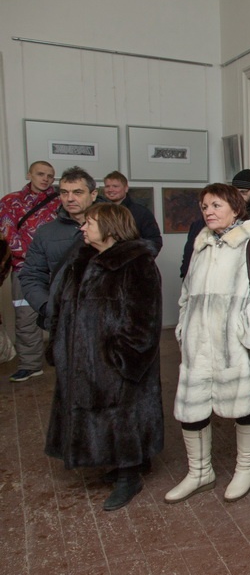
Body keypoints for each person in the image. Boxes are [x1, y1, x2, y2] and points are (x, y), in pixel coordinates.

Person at [166, 183, 250, 504]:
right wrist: (184, 329)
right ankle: (199, 472)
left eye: (216, 205)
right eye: (205, 206)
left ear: (236, 208)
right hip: (197, 345)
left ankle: (246, 468)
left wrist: (249, 334)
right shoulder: (202, 244)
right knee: (192, 410)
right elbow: (187, 293)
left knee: (243, 407)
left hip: (235, 344)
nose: (208, 211)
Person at [44, 203, 163, 511]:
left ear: (111, 227)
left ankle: (129, 475)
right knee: (100, 415)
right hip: (83, 357)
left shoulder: (136, 262)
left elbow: (144, 321)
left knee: (124, 416)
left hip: (116, 362)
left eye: (90, 223)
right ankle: (125, 463)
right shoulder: (82, 258)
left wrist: (122, 359)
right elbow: (61, 303)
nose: (82, 228)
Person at [20, 166, 103, 333]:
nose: (69, 198)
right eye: (64, 193)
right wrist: (47, 307)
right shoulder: (46, 232)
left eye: (78, 192)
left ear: (93, 194)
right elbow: (31, 274)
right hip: (63, 324)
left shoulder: (114, 226)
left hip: (104, 322)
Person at [0, 161, 59, 382]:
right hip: (25, 269)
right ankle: (30, 364)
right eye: (41, 174)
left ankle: (64, 359)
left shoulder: (62, 201)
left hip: (57, 268)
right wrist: (34, 258)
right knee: (25, 316)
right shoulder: (10, 201)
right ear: (29, 174)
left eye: (50, 176)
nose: (45, 179)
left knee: (62, 313)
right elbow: (7, 233)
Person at [102, 170, 163, 255]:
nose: (110, 190)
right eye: (107, 186)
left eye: (115, 186)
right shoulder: (99, 213)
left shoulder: (141, 212)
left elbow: (155, 241)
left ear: (126, 188)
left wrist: (141, 261)